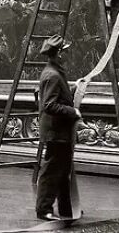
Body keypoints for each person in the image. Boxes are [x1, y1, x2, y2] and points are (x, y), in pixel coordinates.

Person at [35, 35, 81, 222]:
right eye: (66, 51)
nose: (68, 54)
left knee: (62, 171)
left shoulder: (54, 72)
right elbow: (50, 105)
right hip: (56, 132)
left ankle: (65, 208)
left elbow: (57, 97)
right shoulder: (52, 75)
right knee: (51, 172)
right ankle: (43, 209)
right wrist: (74, 111)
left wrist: (72, 88)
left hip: (59, 131)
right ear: (59, 53)